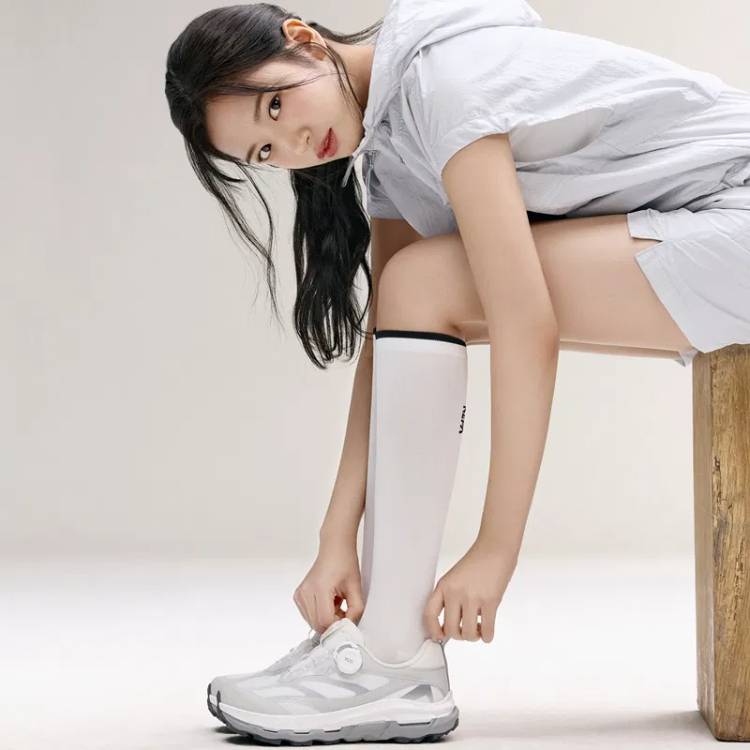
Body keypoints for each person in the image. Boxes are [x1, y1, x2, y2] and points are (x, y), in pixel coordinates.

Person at [164, 0, 750, 741]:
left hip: (736, 213)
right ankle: (385, 646)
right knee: (413, 286)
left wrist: (495, 548)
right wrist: (336, 534)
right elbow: (392, 335)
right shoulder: (389, 141)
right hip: (709, 229)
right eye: (265, 152)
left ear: (303, 40)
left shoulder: (443, 83)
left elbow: (524, 322)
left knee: (423, 279)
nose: (296, 144)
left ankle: (393, 660)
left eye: (276, 106)